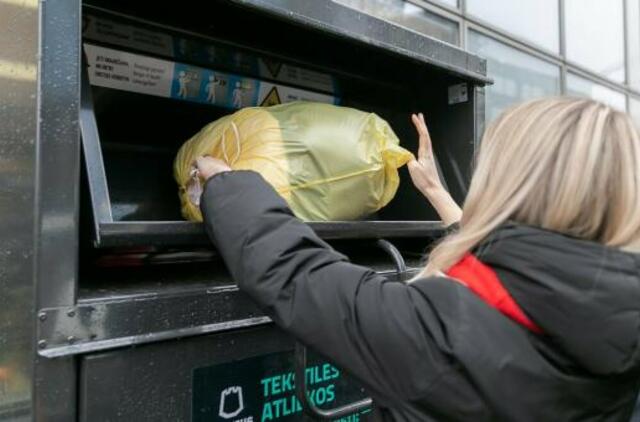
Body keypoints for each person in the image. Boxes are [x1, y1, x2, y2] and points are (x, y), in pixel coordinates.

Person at [194, 97, 640, 421]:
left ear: (514, 185)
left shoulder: (440, 340)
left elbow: (296, 272)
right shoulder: (618, 324)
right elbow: (518, 280)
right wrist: (436, 193)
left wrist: (228, 183)